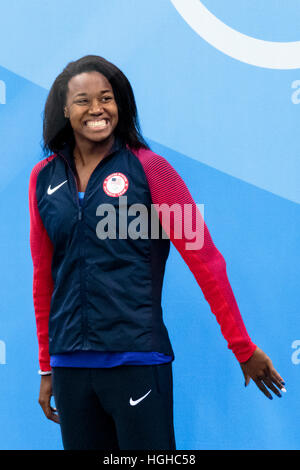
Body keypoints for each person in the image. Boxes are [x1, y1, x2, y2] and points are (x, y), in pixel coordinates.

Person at [28, 55, 286, 451]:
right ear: (64, 109)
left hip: (137, 361)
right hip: (71, 369)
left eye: (107, 98)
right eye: (83, 100)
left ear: (121, 105)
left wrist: (242, 346)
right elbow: (43, 277)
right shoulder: (43, 178)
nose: (96, 108)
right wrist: (48, 366)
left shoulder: (153, 170)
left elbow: (206, 260)